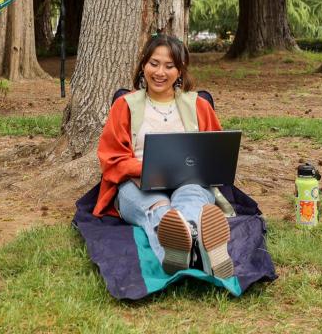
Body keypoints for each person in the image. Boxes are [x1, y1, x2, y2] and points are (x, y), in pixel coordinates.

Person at [94, 34, 234, 278]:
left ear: (180, 71)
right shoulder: (124, 105)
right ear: (143, 66)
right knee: (161, 210)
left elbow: (216, 152)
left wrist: (189, 170)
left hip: (189, 181)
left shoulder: (199, 105)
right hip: (138, 183)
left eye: (169, 66)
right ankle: (202, 254)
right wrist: (147, 168)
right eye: (154, 63)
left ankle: (183, 251)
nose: (160, 72)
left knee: (190, 201)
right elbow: (111, 159)